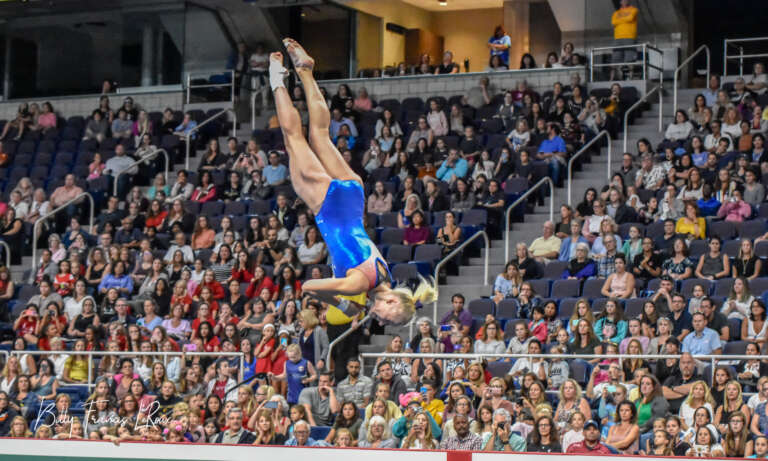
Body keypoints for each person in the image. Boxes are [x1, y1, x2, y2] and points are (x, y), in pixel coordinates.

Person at [270, 42, 436, 327]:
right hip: (330, 207)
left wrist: (350, 305)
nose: (379, 319)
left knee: (320, 136)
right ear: (392, 301)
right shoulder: (359, 286)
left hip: (352, 198)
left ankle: (306, 71)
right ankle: (276, 77)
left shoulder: (384, 276)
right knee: (293, 137)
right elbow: (309, 287)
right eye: (385, 317)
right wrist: (342, 303)